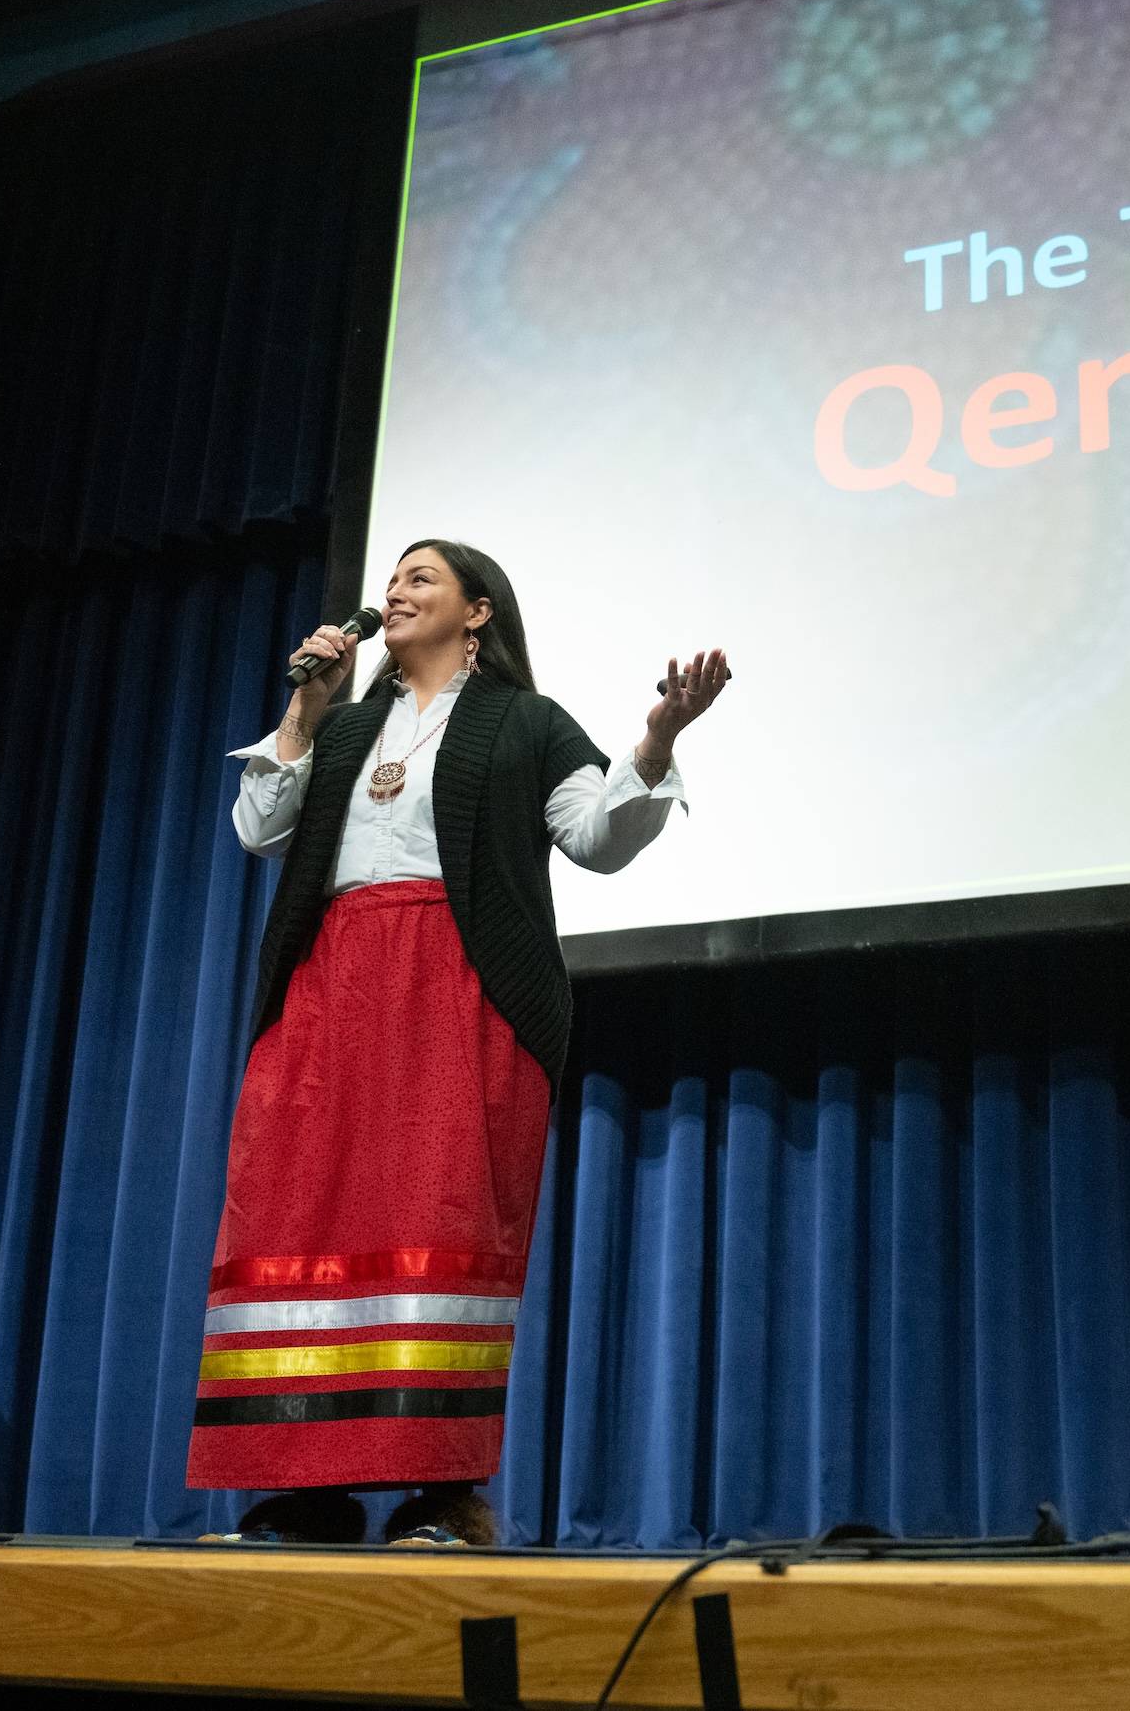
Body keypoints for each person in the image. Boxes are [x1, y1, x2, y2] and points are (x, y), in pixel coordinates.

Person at [186, 538, 729, 1545]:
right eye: (390, 582)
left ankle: (441, 1492)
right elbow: (258, 827)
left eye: (420, 579)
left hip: (456, 985)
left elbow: (599, 840)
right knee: (302, 1222)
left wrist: (653, 740)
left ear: (478, 612)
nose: (394, 593)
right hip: (330, 984)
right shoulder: (343, 728)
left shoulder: (523, 724)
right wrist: (304, 711)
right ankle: (306, 1488)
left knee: (439, 1221)